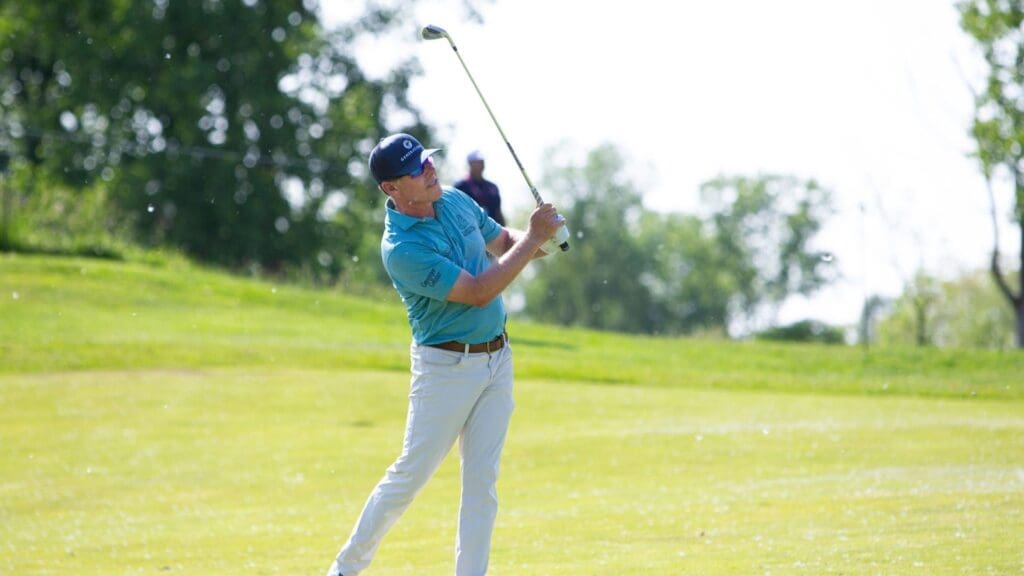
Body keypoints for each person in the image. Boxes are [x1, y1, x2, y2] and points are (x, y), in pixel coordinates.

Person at [325, 133, 563, 576]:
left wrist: (543, 240)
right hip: (445, 369)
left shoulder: (454, 200)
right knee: (409, 478)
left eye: (428, 161)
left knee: (482, 485)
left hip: (497, 359)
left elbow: (504, 241)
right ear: (392, 189)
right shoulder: (402, 249)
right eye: (418, 169)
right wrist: (532, 241)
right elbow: (476, 292)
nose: (430, 169)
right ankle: (345, 569)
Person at [453, 150, 506, 226]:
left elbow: (498, 213)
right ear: (470, 164)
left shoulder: (492, 187)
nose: (481, 164)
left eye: (482, 161)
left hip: (494, 230)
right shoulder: (461, 186)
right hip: (472, 230)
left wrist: (505, 231)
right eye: (477, 162)